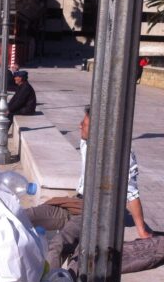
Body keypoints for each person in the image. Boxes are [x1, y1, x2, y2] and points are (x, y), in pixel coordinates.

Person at [25, 105, 152, 270]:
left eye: (84, 124)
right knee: (24, 215)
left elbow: (132, 194)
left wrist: (141, 231)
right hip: (75, 204)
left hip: (95, 212)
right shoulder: (86, 143)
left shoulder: (120, 155)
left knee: (59, 243)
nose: (79, 126)